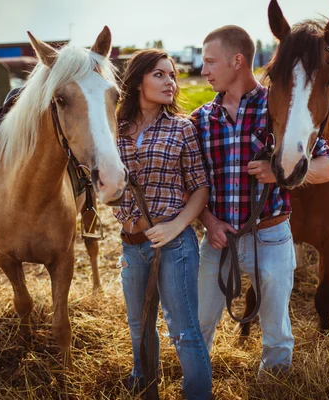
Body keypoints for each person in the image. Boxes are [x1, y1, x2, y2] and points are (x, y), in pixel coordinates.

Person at [190, 26, 329, 377]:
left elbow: (328, 167)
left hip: (270, 236)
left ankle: (273, 386)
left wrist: (280, 173)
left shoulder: (278, 108)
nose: (203, 69)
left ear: (237, 61)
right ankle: (196, 383)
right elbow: (191, 183)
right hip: (217, 241)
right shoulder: (201, 119)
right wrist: (209, 222)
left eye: (210, 61)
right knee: (199, 322)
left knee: (276, 331)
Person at [113, 49, 212, 399]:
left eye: (172, 75)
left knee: (184, 331)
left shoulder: (181, 128)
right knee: (139, 328)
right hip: (130, 243)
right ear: (138, 80)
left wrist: (176, 226)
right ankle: (145, 390)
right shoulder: (115, 130)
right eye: (160, 74)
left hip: (174, 244)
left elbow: (201, 187)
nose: (170, 82)